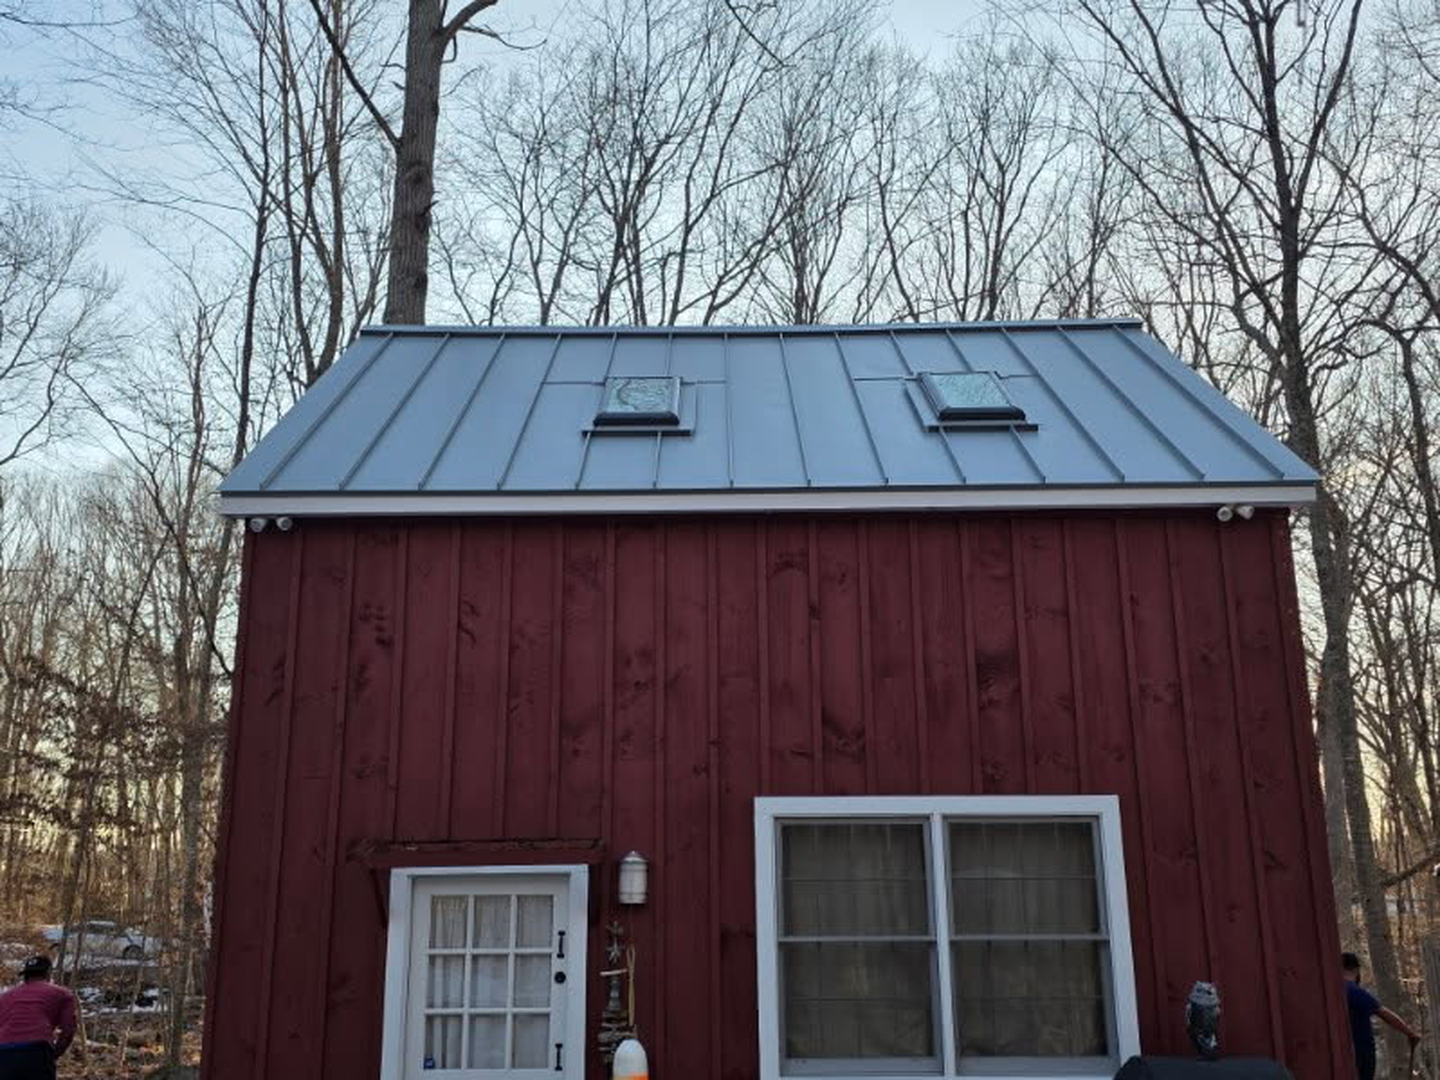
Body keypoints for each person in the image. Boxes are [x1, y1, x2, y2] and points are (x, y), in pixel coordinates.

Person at [1344, 951, 1420, 1080]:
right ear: (1356, 970)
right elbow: (1385, 1014)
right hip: (1361, 1053)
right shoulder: (1355, 992)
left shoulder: (1333, 990)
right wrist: (1410, 1033)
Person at [0, 955, 76, 1080]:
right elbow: (68, 1030)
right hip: (37, 1049)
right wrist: (54, 1054)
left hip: (3, 1052)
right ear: (48, 974)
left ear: (25, 975)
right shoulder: (62, 994)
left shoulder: (5, 996)